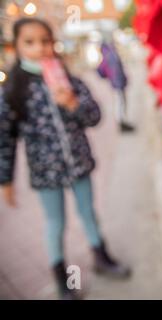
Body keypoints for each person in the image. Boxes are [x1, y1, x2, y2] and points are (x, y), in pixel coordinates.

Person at [0, 18, 131, 300]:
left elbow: (95, 116)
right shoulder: (14, 90)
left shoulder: (69, 79)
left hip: (79, 163)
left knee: (88, 213)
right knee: (55, 224)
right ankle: (65, 280)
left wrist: (73, 104)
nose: (40, 49)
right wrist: (5, 179)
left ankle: (101, 257)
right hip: (46, 172)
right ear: (17, 46)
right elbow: (6, 139)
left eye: (45, 41)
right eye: (30, 42)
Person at [97, 39, 135, 133]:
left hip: (116, 83)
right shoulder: (112, 54)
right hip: (118, 83)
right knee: (120, 102)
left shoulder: (107, 56)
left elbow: (101, 71)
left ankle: (122, 122)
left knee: (121, 101)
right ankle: (121, 122)